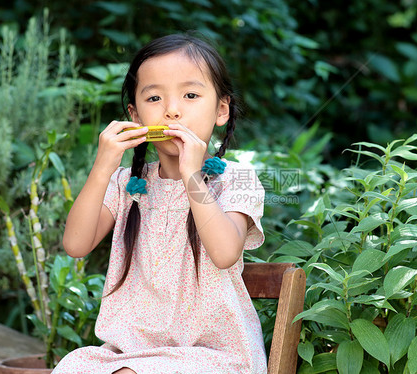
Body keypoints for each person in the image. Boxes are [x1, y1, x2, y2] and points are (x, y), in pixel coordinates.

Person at [53, 34, 267, 374]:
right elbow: (76, 245)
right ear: (136, 116)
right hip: (131, 356)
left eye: (191, 95)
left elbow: (225, 252)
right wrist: (102, 168)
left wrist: (192, 174)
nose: (172, 110)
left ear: (221, 110)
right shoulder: (126, 184)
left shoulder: (235, 179)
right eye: (154, 97)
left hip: (218, 357)